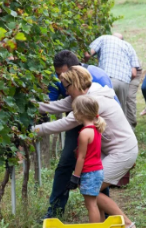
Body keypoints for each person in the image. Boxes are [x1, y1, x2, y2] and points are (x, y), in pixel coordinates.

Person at [35, 66, 137, 228]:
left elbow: (65, 123)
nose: (66, 92)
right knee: (91, 190)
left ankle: (128, 224)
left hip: (122, 152)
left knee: (91, 190)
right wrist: (31, 105)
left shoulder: (92, 101)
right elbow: (55, 105)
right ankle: (104, 224)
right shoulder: (85, 95)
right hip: (112, 151)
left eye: (67, 87)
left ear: (75, 83)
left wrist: (33, 131)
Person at [43, 50, 116, 219]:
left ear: (75, 70)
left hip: (99, 122)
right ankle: (54, 211)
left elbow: (114, 108)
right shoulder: (60, 80)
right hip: (76, 118)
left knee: (97, 163)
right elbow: (53, 102)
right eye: (57, 74)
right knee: (66, 163)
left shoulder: (98, 77)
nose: (60, 79)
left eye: (62, 74)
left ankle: (105, 211)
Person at [65, 95, 106, 223]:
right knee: (94, 203)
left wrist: (75, 177)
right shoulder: (96, 129)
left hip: (89, 173)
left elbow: (81, 158)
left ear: (81, 112)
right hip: (97, 170)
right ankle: (100, 225)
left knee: (91, 205)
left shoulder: (84, 133)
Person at [84, 33, 140, 115]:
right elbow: (134, 73)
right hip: (124, 82)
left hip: (108, 80)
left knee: (103, 110)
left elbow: (88, 54)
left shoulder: (104, 38)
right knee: (120, 113)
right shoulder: (128, 46)